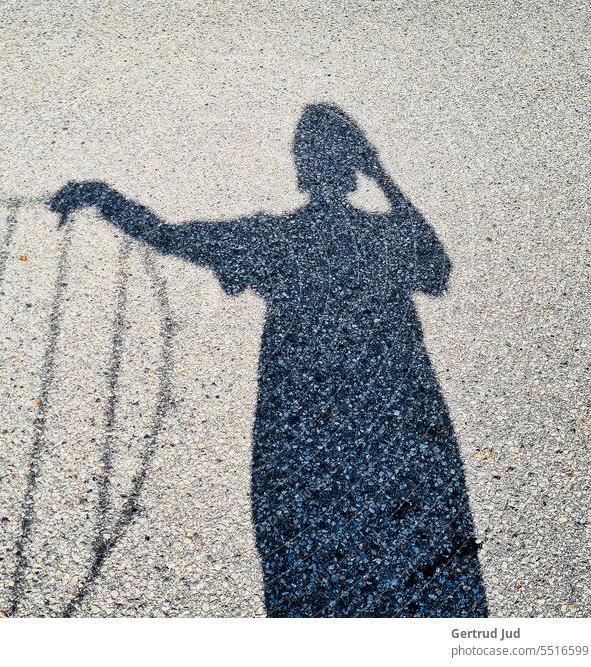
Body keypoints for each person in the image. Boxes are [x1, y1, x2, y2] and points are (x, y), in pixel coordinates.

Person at [49, 103, 487, 617]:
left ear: (300, 166)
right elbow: (436, 270)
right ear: (357, 166)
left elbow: (167, 235)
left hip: (301, 414)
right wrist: (385, 177)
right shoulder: (384, 236)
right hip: (393, 410)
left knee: (306, 557)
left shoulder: (272, 239)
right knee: (411, 542)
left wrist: (104, 198)